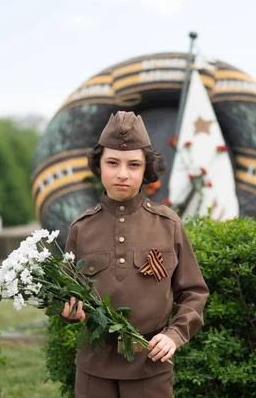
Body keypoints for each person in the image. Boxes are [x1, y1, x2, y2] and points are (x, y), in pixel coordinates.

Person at [60, 111, 209, 398]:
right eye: (112, 162)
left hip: (150, 368)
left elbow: (194, 292)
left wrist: (174, 335)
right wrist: (68, 312)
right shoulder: (81, 228)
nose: (122, 173)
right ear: (98, 166)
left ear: (146, 170)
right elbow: (67, 296)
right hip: (93, 369)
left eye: (134, 164)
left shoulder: (168, 225)